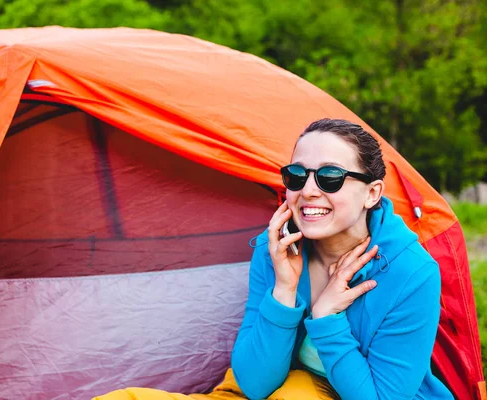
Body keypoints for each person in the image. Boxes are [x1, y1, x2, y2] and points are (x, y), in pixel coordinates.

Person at [94, 119, 453, 400]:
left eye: (330, 177)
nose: (308, 190)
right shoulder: (278, 253)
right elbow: (254, 383)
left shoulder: (410, 273)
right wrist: (284, 289)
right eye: (296, 175)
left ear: (371, 193)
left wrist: (327, 318)